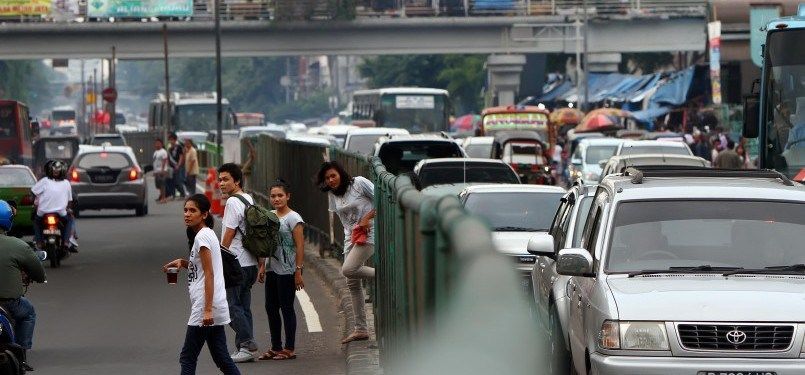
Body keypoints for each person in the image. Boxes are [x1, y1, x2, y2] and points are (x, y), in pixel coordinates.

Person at [162, 194, 240, 375]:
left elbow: (210, 274)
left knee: (187, 357)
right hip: (215, 305)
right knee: (222, 358)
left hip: (206, 306)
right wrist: (183, 263)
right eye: (185, 210)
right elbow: (203, 268)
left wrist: (206, 310)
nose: (187, 214)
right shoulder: (207, 234)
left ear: (204, 214)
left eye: (192, 210)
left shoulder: (202, 238)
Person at [317, 161, 375, 344]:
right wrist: (348, 241)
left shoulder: (359, 183)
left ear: (341, 173)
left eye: (333, 175)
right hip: (352, 236)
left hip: (370, 232)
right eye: (327, 178)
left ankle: (383, 276)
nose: (331, 180)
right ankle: (361, 329)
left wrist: (367, 217)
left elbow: (385, 199)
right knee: (352, 283)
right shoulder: (333, 194)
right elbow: (343, 221)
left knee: (348, 269)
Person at [256, 180, 304, 361]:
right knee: (270, 308)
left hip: (288, 269)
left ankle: (289, 348)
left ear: (288, 196)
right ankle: (275, 347)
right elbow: (265, 244)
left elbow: (300, 246)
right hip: (272, 269)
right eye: (273, 196)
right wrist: (262, 266)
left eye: (280, 195)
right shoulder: (269, 216)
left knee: (286, 308)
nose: (276, 199)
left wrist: (298, 271)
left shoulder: (294, 218)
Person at [217, 163, 260, 362]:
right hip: (250, 262)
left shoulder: (233, 202)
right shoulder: (248, 198)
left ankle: (247, 343)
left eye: (225, 179)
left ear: (237, 181)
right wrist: (261, 263)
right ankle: (245, 349)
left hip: (236, 262)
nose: (221, 183)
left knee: (230, 306)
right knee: (243, 306)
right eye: (220, 179)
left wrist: (219, 257)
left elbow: (230, 232)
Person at [0, 200, 46, 372]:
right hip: (10, 303)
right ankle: (22, 355)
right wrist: (39, 277)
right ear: (8, 220)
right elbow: (38, 271)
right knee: (28, 313)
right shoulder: (18, 245)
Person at [31, 160, 75, 252]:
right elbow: (70, 201)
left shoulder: (44, 181)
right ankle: (66, 242)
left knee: (37, 222)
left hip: (43, 212)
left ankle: (39, 242)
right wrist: (69, 209)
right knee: (69, 221)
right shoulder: (66, 183)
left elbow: (33, 191)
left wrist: (33, 202)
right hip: (61, 213)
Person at [167, 132, 187, 200]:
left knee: (178, 181)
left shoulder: (178, 147)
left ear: (175, 140)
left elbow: (181, 157)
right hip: (171, 167)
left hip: (178, 166)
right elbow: (169, 158)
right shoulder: (169, 148)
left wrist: (178, 165)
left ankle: (183, 194)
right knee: (172, 181)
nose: (171, 141)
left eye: (172, 139)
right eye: (170, 139)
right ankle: (173, 195)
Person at [153, 138, 170, 204]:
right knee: (158, 185)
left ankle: (163, 198)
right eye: (156, 143)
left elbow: (164, 160)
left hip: (162, 171)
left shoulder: (163, 151)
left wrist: (163, 170)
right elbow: (155, 162)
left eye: (158, 143)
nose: (157, 144)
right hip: (157, 171)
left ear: (162, 144)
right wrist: (154, 171)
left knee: (162, 185)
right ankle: (161, 197)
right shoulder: (155, 152)